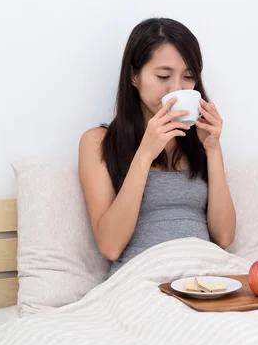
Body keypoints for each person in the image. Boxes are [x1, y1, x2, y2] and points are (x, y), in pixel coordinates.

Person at [79, 17, 236, 276]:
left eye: (188, 77)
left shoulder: (199, 139)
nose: (176, 88)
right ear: (134, 75)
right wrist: (144, 155)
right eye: (163, 75)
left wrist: (213, 150)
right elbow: (110, 246)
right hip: (142, 280)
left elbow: (224, 237)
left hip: (206, 276)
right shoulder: (98, 142)